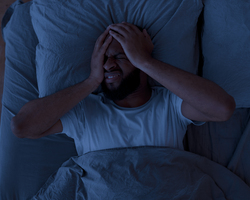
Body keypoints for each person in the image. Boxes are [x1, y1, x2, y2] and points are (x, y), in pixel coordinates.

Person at [11, 22, 236, 154]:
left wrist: (146, 61)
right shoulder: (84, 111)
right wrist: (91, 81)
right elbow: (22, 127)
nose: (108, 64)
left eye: (119, 56)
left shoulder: (170, 104)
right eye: (103, 58)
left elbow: (223, 108)